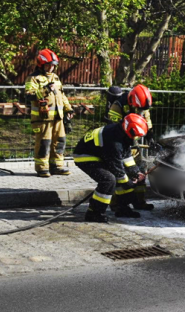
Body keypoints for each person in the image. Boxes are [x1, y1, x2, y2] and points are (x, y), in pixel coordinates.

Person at [74, 114, 149, 222]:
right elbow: (117, 168)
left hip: (101, 154)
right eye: (136, 136)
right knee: (108, 180)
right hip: (85, 156)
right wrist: (127, 183)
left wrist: (135, 172)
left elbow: (126, 156)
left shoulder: (122, 133)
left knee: (120, 177)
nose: (136, 138)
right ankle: (94, 213)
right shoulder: (114, 141)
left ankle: (122, 208)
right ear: (130, 130)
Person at [24, 49, 73, 177]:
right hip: (43, 118)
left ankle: (57, 166)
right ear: (41, 64)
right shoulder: (33, 78)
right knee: (44, 143)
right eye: (48, 65)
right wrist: (45, 90)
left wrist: (68, 109)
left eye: (53, 65)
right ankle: (42, 168)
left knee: (60, 141)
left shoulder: (55, 78)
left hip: (58, 117)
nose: (51, 68)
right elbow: (29, 95)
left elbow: (61, 96)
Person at [107, 84, 155, 210]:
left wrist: (151, 136)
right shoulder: (118, 106)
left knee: (140, 173)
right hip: (120, 145)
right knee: (119, 174)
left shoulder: (143, 105)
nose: (141, 112)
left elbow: (147, 122)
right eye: (139, 109)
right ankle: (116, 203)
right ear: (132, 100)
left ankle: (139, 202)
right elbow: (113, 129)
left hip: (135, 146)